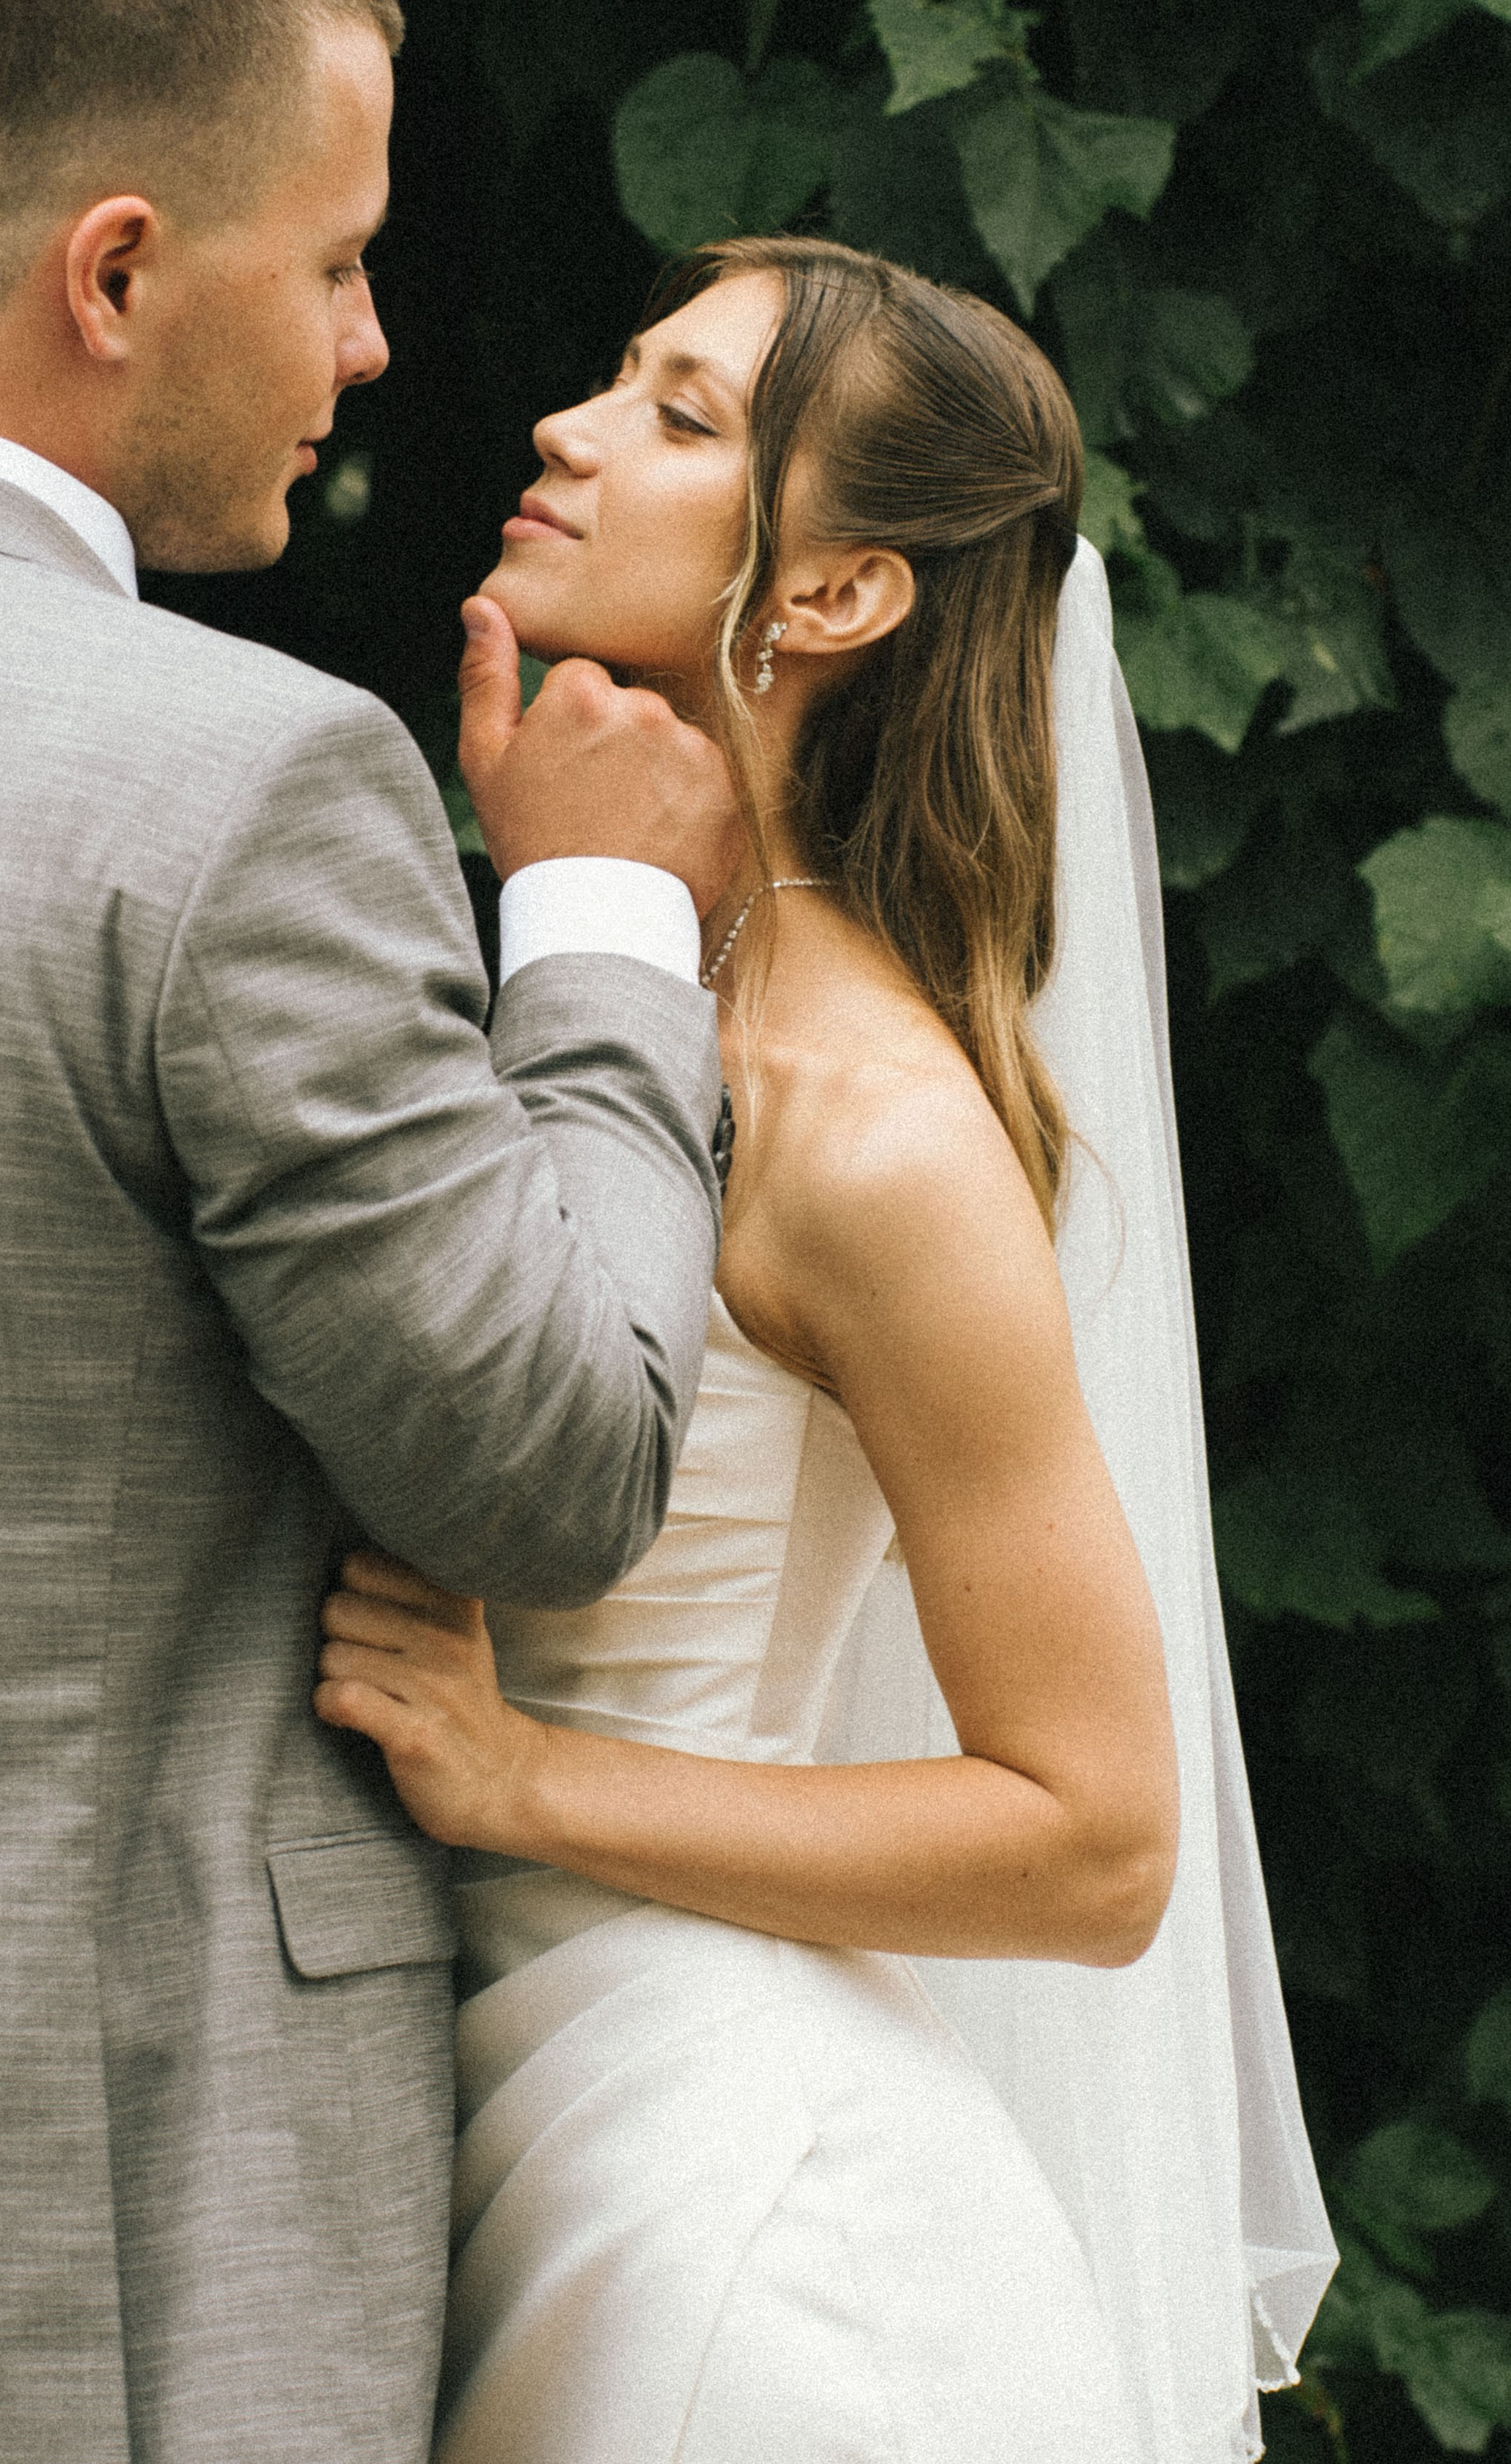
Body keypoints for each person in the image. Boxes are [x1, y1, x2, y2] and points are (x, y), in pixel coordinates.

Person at [0, 0, 744, 2459]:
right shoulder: (235, 786)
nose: (374, 346)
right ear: (117, 272)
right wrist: (605, 920)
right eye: (334, 260)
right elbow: (545, 1460)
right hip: (77, 2233)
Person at [315, 238, 1338, 2462]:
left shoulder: (874, 1128)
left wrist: (527, 1780)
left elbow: (1094, 1838)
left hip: (745, 2239)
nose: (567, 433)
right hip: (499, 2118)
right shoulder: (602, 986)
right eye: (612, 380)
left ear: (844, 596)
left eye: (681, 418)